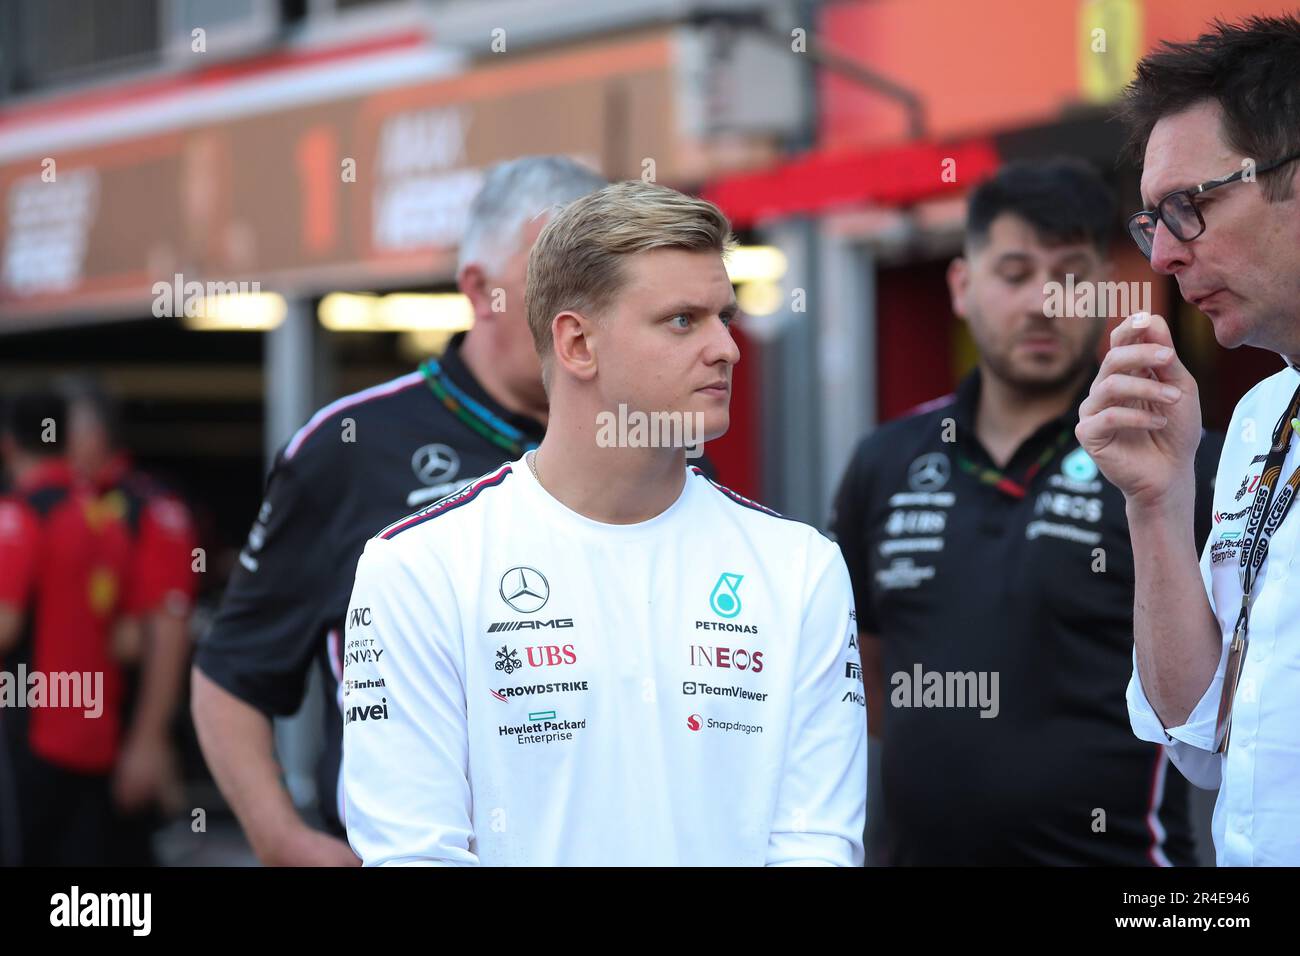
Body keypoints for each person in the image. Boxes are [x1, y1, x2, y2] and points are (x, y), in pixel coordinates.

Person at [342, 181, 866, 866]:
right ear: (577, 343)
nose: (727, 349)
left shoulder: (800, 568)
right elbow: (415, 854)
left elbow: (815, 847)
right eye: (683, 320)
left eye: (725, 317)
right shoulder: (418, 568)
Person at [191, 156, 607, 866]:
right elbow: (233, 672)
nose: (581, 315)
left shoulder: (657, 447)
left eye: (604, 287)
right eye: (554, 283)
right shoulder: (350, 448)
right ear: (479, 290)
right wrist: (281, 836)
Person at [831, 159, 1222, 865]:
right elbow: (867, 673)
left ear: (1104, 291)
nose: (1044, 302)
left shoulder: (1175, 464)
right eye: (1014, 274)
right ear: (961, 286)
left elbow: (1228, 696)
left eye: (1069, 276)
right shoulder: (884, 462)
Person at [1077, 13, 1300, 866]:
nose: (1163, 252)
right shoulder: (1259, 417)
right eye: (1151, 220)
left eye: (1187, 207)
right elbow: (1200, 739)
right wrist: (1156, 500)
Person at [62, 376, 197, 864]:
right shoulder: (48, 504)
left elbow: (166, 630)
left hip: (120, 723)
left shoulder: (150, 508)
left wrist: (148, 740)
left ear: (97, 435)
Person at [0, 385, 134, 865]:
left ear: (9, 444)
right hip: (97, 737)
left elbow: (5, 627)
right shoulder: (107, 517)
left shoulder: (19, 516)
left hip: (30, 735)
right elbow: (128, 640)